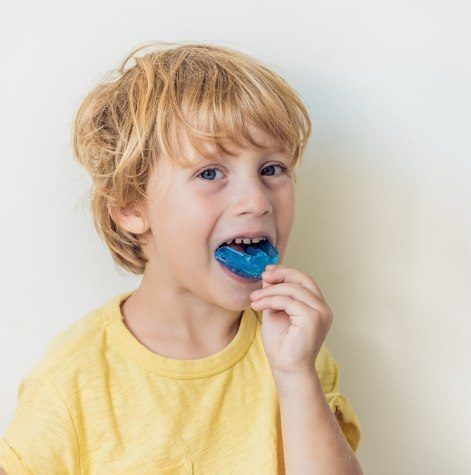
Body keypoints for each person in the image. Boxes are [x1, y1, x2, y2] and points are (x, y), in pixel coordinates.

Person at [0, 41, 363, 474]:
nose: (256, 200)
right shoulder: (71, 383)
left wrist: (296, 375)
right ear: (132, 207)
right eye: (210, 173)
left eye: (272, 169)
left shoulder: (293, 349)